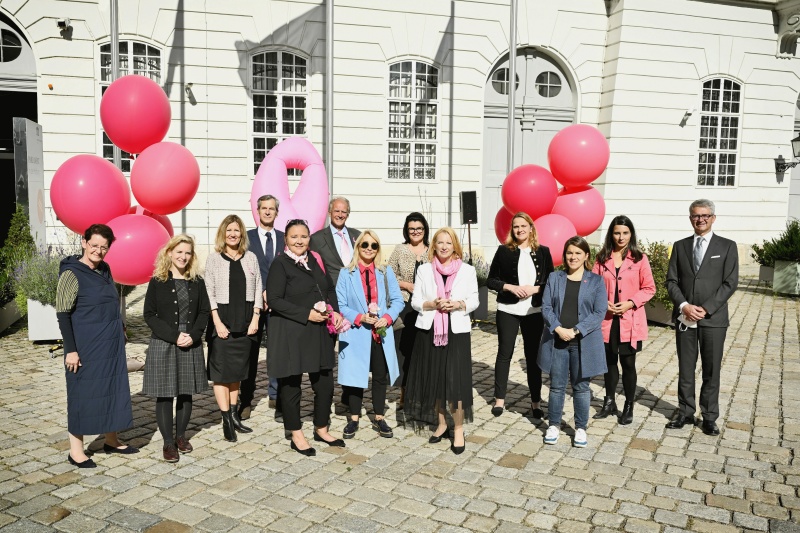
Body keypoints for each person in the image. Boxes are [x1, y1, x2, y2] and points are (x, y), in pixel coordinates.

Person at [56, 224, 137, 468]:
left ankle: (111, 440)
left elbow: (110, 303)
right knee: (82, 394)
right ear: (84, 243)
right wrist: (71, 350)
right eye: (94, 245)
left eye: (104, 247)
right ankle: (76, 451)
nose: (98, 251)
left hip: (110, 344)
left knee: (112, 389)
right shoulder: (71, 274)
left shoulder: (105, 269)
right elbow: (63, 314)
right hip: (85, 346)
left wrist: (121, 327)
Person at [267, 219, 346, 456]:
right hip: (292, 332)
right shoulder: (280, 264)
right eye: (294, 237)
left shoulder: (314, 259)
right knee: (291, 386)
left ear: (309, 238)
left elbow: (328, 288)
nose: (299, 241)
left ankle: (321, 428)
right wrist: (306, 314)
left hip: (319, 332)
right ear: (286, 239)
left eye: (303, 236)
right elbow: (274, 300)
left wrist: (335, 311)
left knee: (325, 383)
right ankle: (296, 434)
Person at [666, 199, 738, 436]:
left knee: (711, 369)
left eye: (705, 215)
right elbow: (672, 281)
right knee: (686, 368)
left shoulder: (727, 246)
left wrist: (705, 308)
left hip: (713, 319)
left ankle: (709, 416)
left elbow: (730, 283)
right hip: (685, 318)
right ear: (690, 218)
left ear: (713, 218)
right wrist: (684, 306)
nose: (700, 219)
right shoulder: (680, 246)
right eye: (696, 216)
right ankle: (685, 412)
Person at [405, 227, 479, 455]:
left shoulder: (467, 270)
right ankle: (441, 423)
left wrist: (457, 304)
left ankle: (458, 429)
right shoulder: (424, 269)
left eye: (449, 242)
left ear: (454, 245)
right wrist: (432, 304)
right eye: (440, 242)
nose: (444, 246)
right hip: (430, 331)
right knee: (435, 378)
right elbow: (416, 301)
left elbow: (475, 300)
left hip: (456, 332)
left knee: (455, 382)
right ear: (434, 246)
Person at [142, 234, 211, 462]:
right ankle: (168, 443)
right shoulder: (158, 281)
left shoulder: (197, 281)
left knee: (185, 392)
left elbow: (204, 312)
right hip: (164, 341)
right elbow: (149, 314)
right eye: (179, 251)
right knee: (164, 394)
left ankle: (181, 436)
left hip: (190, 341)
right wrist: (174, 336)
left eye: (187, 253)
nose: (183, 256)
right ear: (170, 252)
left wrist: (194, 335)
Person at [539, 236, 607, 448]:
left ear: (586, 256)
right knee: (557, 386)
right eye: (569, 252)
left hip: (583, 342)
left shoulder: (596, 281)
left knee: (581, 387)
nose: (573, 257)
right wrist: (558, 328)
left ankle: (580, 428)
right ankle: (553, 425)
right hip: (557, 340)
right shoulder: (555, 278)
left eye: (578, 253)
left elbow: (599, 312)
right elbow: (546, 307)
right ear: (564, 255)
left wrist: (576, 330)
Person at [336, 230, 404, 439]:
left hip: (380, 333)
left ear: (378, 249)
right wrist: (360, 317)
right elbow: (341, 305)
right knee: (356, 376)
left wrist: (388, 317)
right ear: (358, 247)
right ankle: (354, 418)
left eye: (374, 245)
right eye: (365, 244)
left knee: (380, 376)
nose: (369, 248)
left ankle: (379, 417)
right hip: (356, 332)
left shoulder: (385, 271)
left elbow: (398, 300)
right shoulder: (346, 273)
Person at [486, 212, 554, 420]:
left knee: (533, 357)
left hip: (533, 312)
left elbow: (551, 283)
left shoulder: (543, 252)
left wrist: (535, 289)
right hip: (508, 309)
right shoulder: (503, 251)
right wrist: (510, 287)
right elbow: (491, 280)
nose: (520, 229)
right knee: (504, 353)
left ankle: (535, 402)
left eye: (523, 226)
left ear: (531, 228)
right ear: (512, 229)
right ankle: (499, 400)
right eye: (516, 226)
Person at [591, 216, 655, 425]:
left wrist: (630, 303)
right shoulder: (602, 258)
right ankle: (609, 402)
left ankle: (628, 405)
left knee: (628, 363)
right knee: (609, 362)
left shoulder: (639, 259)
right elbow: (592, 286)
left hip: (630, 320)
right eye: (617, 233)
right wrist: (603, 303)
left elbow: (649, 288)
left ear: (631, 234)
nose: (621, 237)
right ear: (611, 234)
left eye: (625, 233)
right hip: (607, 319)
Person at [204, 214, 262, 442]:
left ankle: (235, 415)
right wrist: (217, 322)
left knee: (237, 372)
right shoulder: (213, 259)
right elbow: (209, 292)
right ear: (223, 233)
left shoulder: (251, 258)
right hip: (222, 322)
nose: (233, 234)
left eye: (236, 230)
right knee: (221, 374)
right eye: (229, 230)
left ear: (242, 234)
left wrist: (255, 318)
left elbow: (258, 288)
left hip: (245, 323)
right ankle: (226, 419)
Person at [241, 194, 285, 418]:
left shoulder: (285, 238)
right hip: (252, 306)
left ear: (277, 212)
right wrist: (260, 293)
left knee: (277, 352)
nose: (268, 212)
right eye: (264, 208)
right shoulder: (246, 238)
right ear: (257, 211)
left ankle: (276, 395)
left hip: (278, 306)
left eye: (271, 208)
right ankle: (246, 399)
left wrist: (274, 293)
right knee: (250, 352)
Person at [386, 212, 430, 405]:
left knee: (423, 350)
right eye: (412, 229)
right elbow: (388, 275)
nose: (415, 232)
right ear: (406, 230)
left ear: (424, 230)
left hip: (427, 307)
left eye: (419, 228)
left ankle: (422, 391)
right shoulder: (400, 250)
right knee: (404, 350)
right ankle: (404, 393)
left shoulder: (432, 250)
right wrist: (406, 285)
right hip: (404, 305)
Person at [310, 197, 361, 286]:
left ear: (348, 215)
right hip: (332, 289)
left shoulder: (358, 235)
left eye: (343, 212)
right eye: (336, 211)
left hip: (356, 286)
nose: (340, 215)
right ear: (330, 213)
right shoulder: (317, 238)